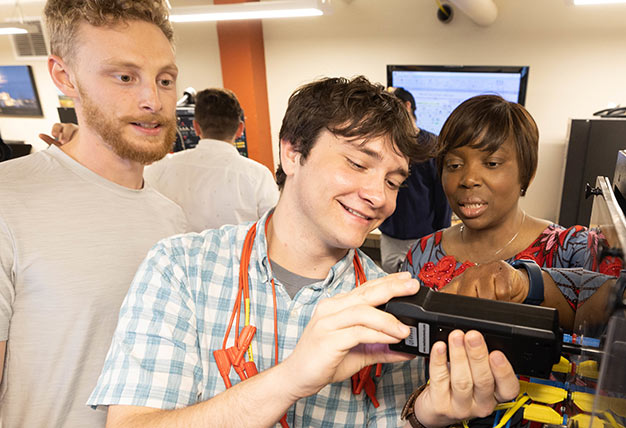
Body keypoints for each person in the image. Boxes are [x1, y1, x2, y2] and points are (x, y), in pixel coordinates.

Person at [87, 76, 521, 428]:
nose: (377, 196)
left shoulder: (390, 304)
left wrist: (425, 416)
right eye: (357, 163)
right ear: (292, 152)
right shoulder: (180, 268)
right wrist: (293, 378)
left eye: (393, 181)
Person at [0, 1, 188, 426]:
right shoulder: (7, 201)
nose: (152, 100)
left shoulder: (172, 220)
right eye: (125, 77)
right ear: (64, 76)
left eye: (164, 79)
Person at [401, 95, 621, 320]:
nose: (468, 179)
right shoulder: (421, 254)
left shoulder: (572, 250)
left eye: (491, 163)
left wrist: (529, 284)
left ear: (527, 174)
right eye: (454, 165)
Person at [144, 88, 279, 232]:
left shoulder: (161, 168)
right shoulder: (258, 176)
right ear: (240, 129)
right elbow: (275, 230)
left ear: (196, 127)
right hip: (241, 254)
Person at [378, 87, 451, 273]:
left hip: (423, 236)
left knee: (422, 283)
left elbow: (442, 195)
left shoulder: (432, 145)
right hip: (390, 234)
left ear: (407, 105)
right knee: (390, 284)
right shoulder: (385, 144)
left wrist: (442, 235)